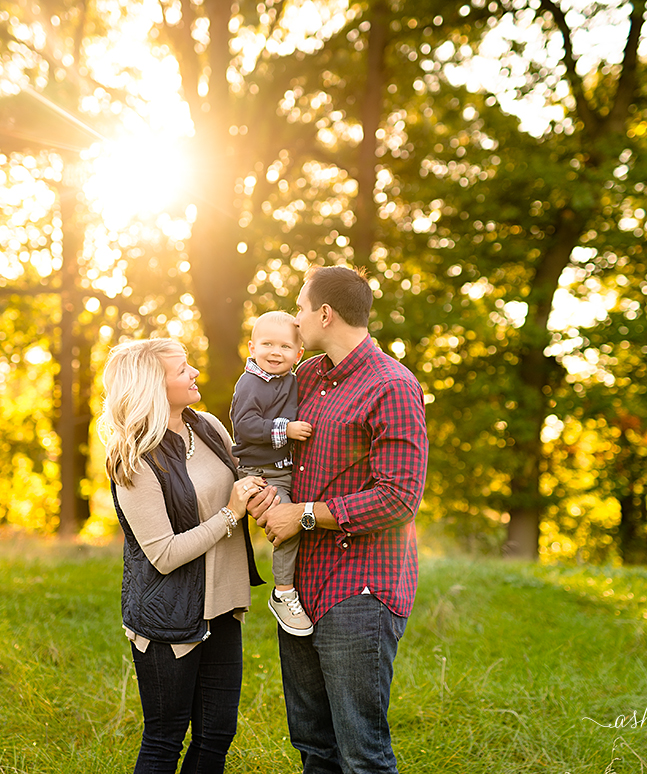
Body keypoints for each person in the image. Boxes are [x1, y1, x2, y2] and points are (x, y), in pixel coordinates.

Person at [254, 266, 429, 774]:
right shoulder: (304, 376)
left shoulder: (392, 385)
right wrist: (261, 492)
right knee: (314, 746)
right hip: (301, 591)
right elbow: (260, 425)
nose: (295, 318)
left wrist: (302, 515)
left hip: (361, 590)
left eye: (300, 307)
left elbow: (398, 497)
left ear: (325, 313)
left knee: (362, 754)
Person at [100, 338, 272, 774]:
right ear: (152, 386)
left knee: (216, 737)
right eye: (181, 370)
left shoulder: (209, 427)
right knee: (164, 740)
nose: (194, 372)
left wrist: (261, 495)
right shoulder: (135, 459)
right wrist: (230, 514)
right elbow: (163, 554)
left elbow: (242, 480)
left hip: (223, 606)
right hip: (169, 617)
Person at [229, 311, 314, 636]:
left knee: (304, 519)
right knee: (288, 527)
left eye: (284, 346)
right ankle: (283, 592)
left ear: (298, 353)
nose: (275, 352)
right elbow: (246, 425)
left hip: (284, 468)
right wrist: (286, 429)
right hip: (261, 472)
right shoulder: (250, 383)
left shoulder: (291, 379)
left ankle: (297, 584)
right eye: (267, 344)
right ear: (251, 347)